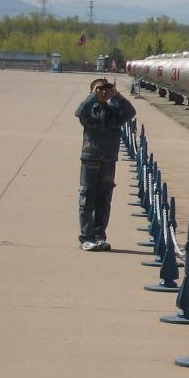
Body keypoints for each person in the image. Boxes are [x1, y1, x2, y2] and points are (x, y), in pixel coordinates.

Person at [75, 78, 136, 251]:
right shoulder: (90, 110)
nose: (103, 92)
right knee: (87, 198)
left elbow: (130, 112)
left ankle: (99, 236)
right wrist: (93, 96)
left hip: (108, 160)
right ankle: (86, 237)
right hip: (91, 158)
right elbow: (80, 112)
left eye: (106, 89)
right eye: (100, 89)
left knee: (104, 200)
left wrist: (117, 96)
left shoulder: (114, 111)